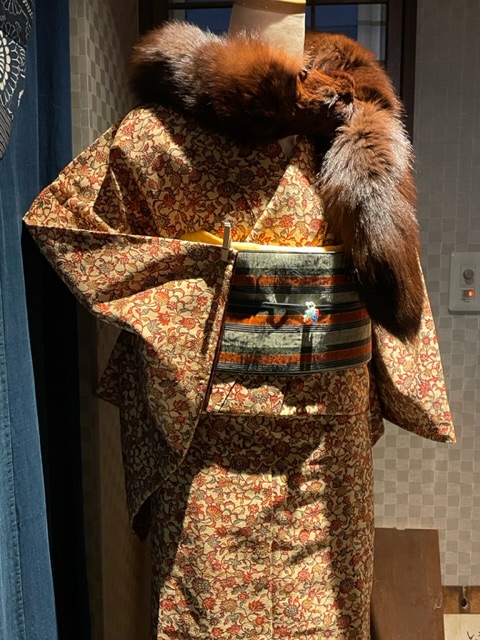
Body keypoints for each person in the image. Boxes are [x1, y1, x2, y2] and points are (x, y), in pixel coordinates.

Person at [24, 2, 455, 638]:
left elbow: (392, 288)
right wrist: (197, 288)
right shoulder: (155, 136)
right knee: (204, 615)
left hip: (326, 442)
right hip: (210, 443)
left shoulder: (355, 133)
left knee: (326, 618)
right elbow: (60, 225)